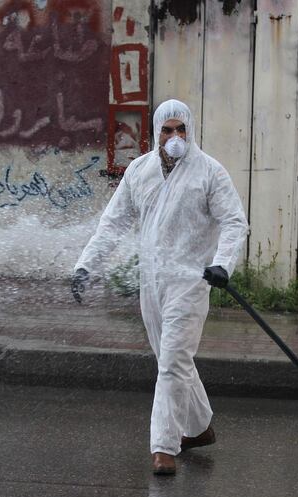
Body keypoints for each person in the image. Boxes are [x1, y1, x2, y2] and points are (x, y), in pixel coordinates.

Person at [71, 99, 249, 475]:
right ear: (156, 133)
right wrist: (86, 264)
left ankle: (164, 448)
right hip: (151, 282)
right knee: (174, 360)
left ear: (191, 131)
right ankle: (199, 428)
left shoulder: (209, 173)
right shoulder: (140, 171)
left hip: (190, 283)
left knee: (171, 363)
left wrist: (223, 264)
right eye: (167, 130)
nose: (174, 137)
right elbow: (113, 222)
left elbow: (234, 222)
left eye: (180, 130)